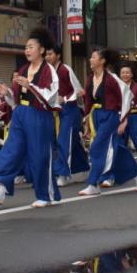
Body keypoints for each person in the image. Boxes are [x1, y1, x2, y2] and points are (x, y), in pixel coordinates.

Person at [0, 28, 62, 207]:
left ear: (41, 50)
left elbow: (50, 97)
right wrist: (8, 93)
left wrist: (31, 85)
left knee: (39, 156)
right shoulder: (23, 69)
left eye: (31, 47)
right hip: (20, 114)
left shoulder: (49, 70)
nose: (27, 50)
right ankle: (0, 189)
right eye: (26, 47)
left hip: (39, 116)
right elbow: (17, 98)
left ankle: (45, 194)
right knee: (11, 150)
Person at [79, 48, 137, 196]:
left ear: (102, 61)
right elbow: (88, 101)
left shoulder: (112, 78)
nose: (90, 60)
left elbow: (127, 95)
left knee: (96, 147)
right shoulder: (90, 78)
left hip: (110, 116)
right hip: (96, 116)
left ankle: (93, 183)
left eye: (94, 57)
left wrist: (123, 119)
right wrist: (86, 118)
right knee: (116, 148)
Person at [44, 46, 89, 187]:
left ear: (58, 55)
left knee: (64, 141)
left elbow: (79, 90)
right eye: (46, 54)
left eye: (50, 54)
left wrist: (64, 98)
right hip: (57, 112)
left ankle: (62, 174)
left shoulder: (65, 69)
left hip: (70, 110)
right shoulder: (48, 72)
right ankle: (83, 169)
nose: (47, 57)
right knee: (72, 143)